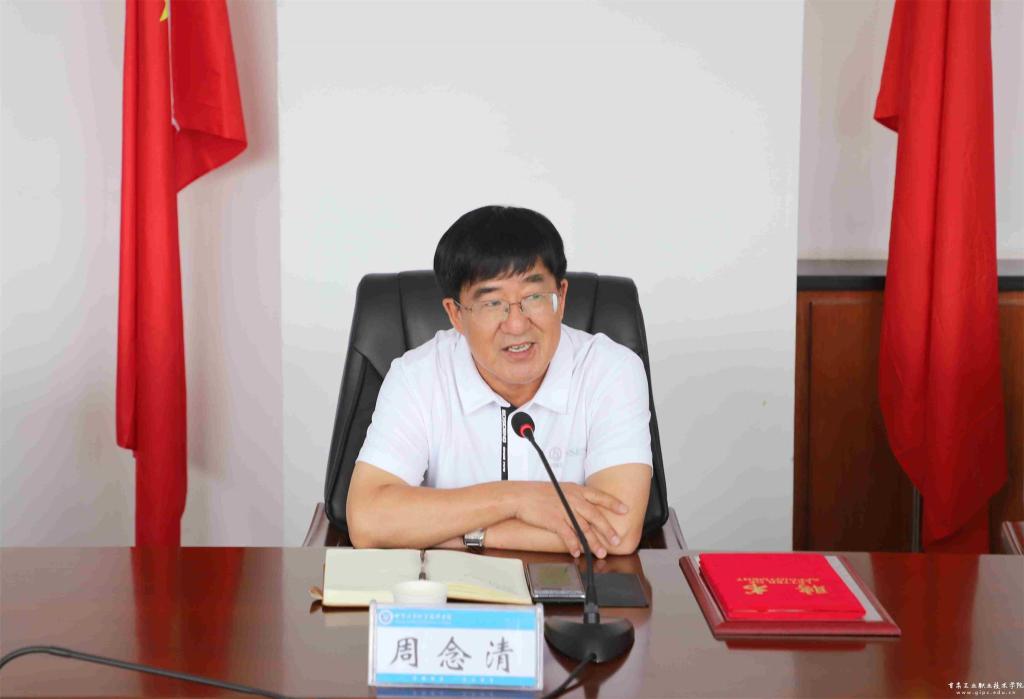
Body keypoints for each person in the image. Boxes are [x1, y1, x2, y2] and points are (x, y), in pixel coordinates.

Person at [347, 205, 653, 557]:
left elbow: (614, 533)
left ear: (562, 297)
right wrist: (517, 499)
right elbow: (368, 520)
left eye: (534, 297)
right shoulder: (416, 376)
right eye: (492, 303)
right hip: (450, 587)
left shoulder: (611, 370)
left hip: (576, 586)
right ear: (455, 314)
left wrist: (445, 533)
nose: (517, 324)